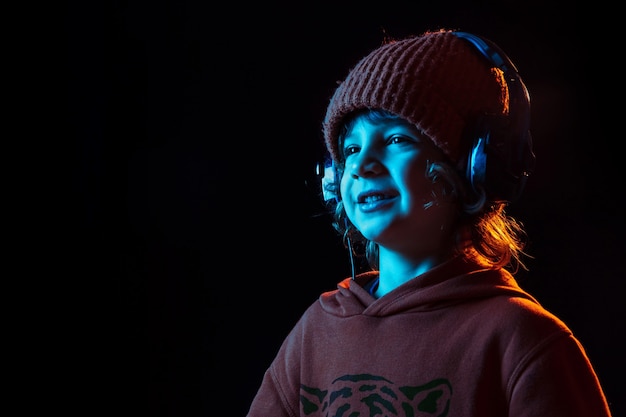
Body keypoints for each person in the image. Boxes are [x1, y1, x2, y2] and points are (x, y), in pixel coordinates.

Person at [247, 28, 612, 417]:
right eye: (351, 148)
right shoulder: (316, 332)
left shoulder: (522, 340)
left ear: (474, 165)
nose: (362, 166)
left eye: (396, 140)